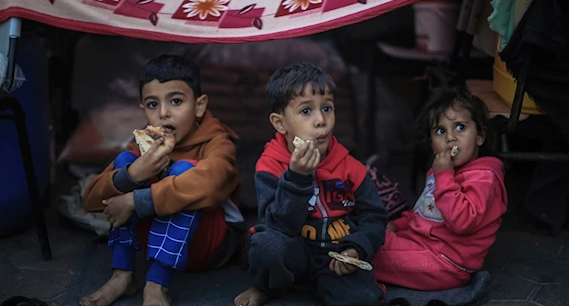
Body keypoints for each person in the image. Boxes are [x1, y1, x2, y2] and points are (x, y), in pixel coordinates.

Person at [80, 55, 244, 306]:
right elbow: (91, 199)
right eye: (153, 104)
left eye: (176, 101)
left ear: (199, 106)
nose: (164, 113)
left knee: (185, 170)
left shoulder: (217, 142)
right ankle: (122, 275)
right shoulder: (143, 143)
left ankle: (157, 285)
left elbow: (211, 185)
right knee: (127, 160)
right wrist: (133, 174)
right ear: (143, 110)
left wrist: (136, 200)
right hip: (154, 242)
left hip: (208, 247)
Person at [234, 62, 388, 306]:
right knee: (265, 245)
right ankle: (264, 285)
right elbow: (276, 225)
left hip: (334, 257)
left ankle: (323, 284)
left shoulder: (351, 167)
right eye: (306, 111)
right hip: (292, 252)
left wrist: (355, 249)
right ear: (280, 123)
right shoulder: (270, 166)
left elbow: (375, 218)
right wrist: (296, 178)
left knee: (362, 299)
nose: (321, 120)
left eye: (327, 108)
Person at [373, 87, 507, 291]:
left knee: (367, 247)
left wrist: (444, 176)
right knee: (371, 234)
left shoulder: (483, 179)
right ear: (432, 144)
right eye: (440, 131)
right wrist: (397, 225)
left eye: (460, 127)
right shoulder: (441, 170)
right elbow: (424, 211)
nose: (450, 138)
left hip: (445, 264)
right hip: (422, 247)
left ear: (480, 136)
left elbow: (462, 222)